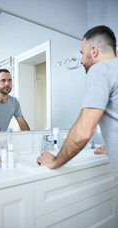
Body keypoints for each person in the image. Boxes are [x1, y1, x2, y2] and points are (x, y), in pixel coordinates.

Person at [37, 25, 118, 189]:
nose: (81, 60)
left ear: (94, 51)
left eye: (82, 53)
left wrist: (55, 161)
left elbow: (83, 132)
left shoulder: (100, 69)